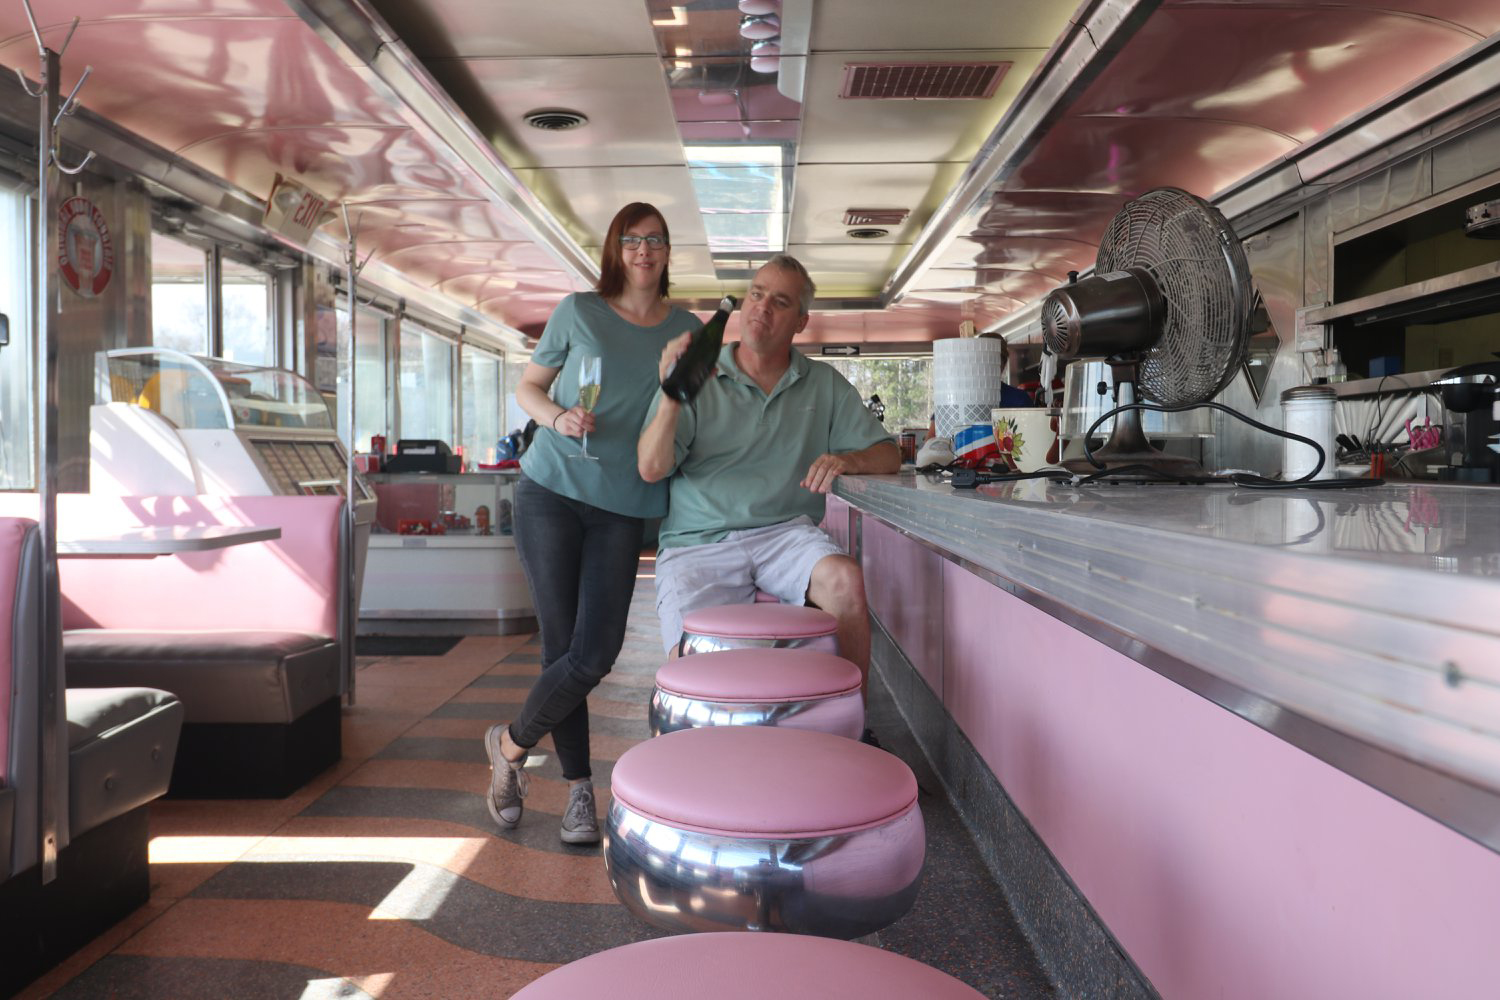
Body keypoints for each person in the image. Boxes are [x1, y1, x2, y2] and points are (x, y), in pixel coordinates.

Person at [484, 202, 701, 844]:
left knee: (594, 652)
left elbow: (691, 412)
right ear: (616, 249)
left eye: (654, 240)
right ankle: (581, 793)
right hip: (551, 487)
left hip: (623, 503)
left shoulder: (685, 327)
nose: (643, 251)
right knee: (561, 647)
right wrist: (557, 418)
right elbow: (529, 387)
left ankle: (510, 747)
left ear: (666, 251)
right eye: (631, 240)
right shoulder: (578, 310)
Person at [638, 254, 900, 708]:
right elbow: (650, 468)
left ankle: (851, 717)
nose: (763, 307)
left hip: (785, 532)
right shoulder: (699, 373)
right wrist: (669, 395)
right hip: (700, 538)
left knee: (845, 579)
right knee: (694, 669)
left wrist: (847, 460)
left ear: (801, 321)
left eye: (780, 301)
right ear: (741, 307)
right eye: (756, 295)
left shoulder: (824, 384)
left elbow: (889, 454)